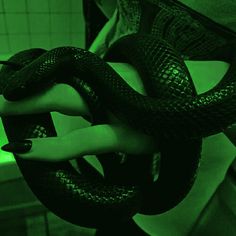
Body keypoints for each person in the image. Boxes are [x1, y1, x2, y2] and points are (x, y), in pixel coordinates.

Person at [0, 0, 235, 235]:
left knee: (135, 224)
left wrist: (222, 92)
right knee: (108, 217)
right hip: (87, 129)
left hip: (191, 165)